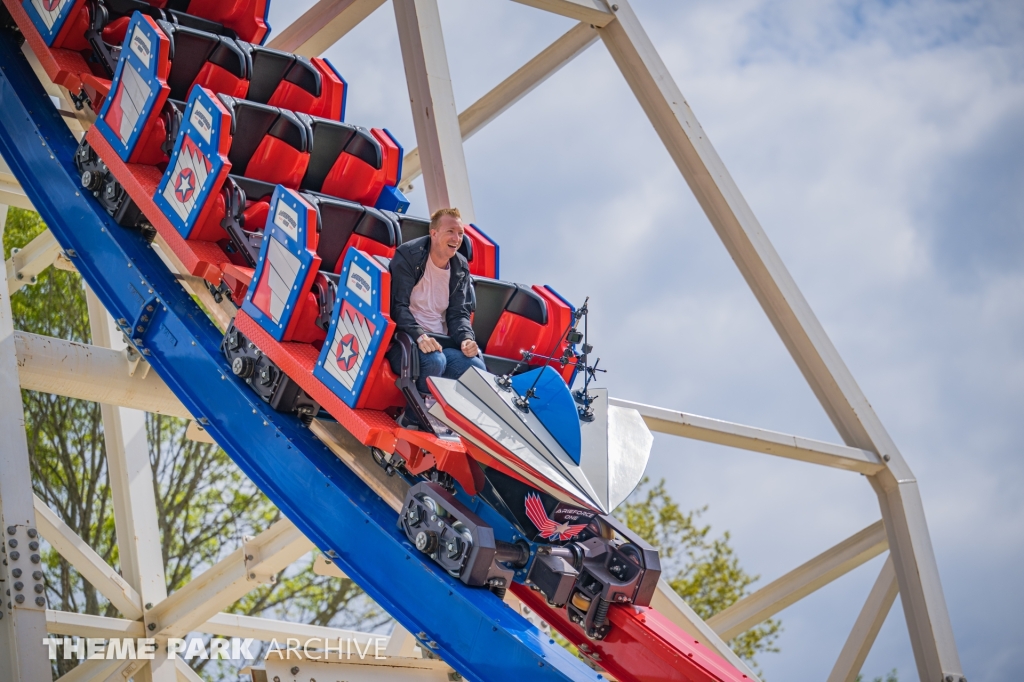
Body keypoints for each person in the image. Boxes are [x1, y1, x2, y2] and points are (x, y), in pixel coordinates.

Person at [389, 207, 485, 428]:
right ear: (433, 233)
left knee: (476, 367)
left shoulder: (460, 267)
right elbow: (398, 307)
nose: (456, 238)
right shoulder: (408, 255)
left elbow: (459, 314)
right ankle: (414, 420)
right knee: (435, 361)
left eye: (460, 233)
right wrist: (420, 336)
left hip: (441, 343)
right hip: (404, 341)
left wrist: (466, 339)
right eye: (450, 231)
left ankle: (459, 424)